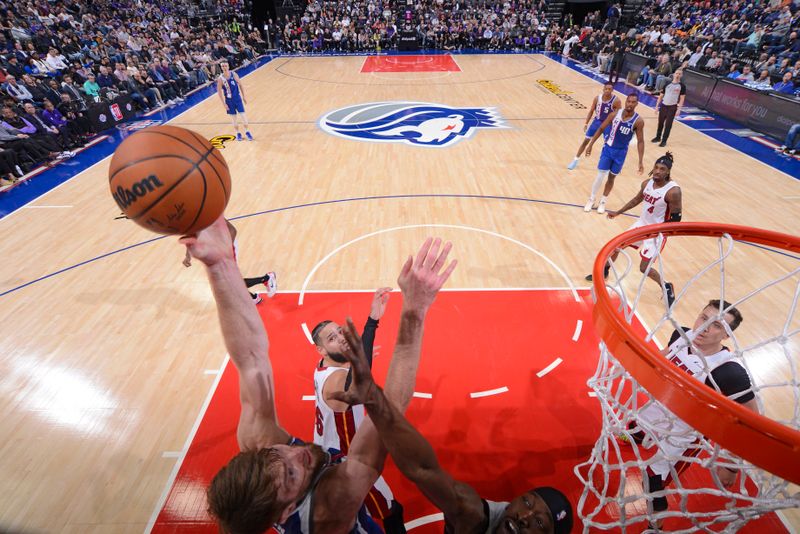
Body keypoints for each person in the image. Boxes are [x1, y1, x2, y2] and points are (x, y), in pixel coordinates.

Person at [187, 220, 457, 533]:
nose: (296, 453)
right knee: (388, 507)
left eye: (279, 453)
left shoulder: (262, 451)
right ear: (289, 510)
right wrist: (415, 308)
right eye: (291, 475)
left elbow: (250, 360)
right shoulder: (334, 502)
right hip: (341, 458)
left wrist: (220, 265)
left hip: (330, 445)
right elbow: (393, 406)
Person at [328, 311, 574, 534]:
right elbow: (420, 469)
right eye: (527, 502)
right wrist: (374, 398)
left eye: (540, 523)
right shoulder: (473, 516)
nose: (524, 517)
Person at [618, 300, 756, 530]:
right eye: (704, 318)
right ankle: (641, 432)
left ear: (726, 336)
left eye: (717, 326)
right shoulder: (681, 334)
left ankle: (656, 526)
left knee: (653, 482)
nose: (704, 327)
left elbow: (750, 422)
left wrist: (732, 465)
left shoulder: (729, 371)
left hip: (684, 434)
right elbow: (661, 357)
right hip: (658, 408)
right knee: (637, 425)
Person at [311, 288, 406, 533]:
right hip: (345, 462)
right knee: (391, 509)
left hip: (325, 452)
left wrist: (355, 357)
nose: (341, 337)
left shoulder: (324, 366)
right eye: (331, 338)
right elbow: (359, 385)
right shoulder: (335, 383)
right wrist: (372, 321)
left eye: (340, 331)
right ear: (321, 350)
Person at [586, 152, 680, 304]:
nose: (657, 171)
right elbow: (637, 199)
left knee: (644, 268)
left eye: (662, 169)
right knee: (616, 247)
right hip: (641, 224)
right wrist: (618, 212)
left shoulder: (673, 191)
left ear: (668, 171)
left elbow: (676, 219)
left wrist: (660, 231)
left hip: (657, 233)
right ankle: (605, 271)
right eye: (656, 167)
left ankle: (666, 286)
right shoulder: (647, 183)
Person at [183, 219, 276, 303]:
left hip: (229, 247)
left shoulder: (210, 214)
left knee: (229, 282)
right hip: (217, 248)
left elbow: (233, 231)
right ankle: (253, 297)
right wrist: (188, 255)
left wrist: (225, 250)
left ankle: (266, 279)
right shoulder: (193, 219)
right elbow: (192, 236)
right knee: (227, 281)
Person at [582, 93, 645, 214]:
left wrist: (640, 161)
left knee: (611, 177)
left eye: (633, 102)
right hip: (608, 149)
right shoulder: (614, 114)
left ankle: (603, 201)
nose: (630, 104)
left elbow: (640, 141)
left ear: (637, 104)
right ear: (626, 101)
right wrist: (590, 145)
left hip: (621, 153)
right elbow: (601, 129)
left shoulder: (638, 121)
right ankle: (591, 199)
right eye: (629, 101)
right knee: (600, 175)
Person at [567, 81, 621, 170]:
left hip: (608, 124)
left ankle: (604, 164)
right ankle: (575, 160)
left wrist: (615, 127)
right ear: (603, 89)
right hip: (597, 122)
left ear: (612, 90)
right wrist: (586, 123)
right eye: (606, 89)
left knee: (607, 146)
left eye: (609, 89)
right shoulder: (597, 98)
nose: (607, 91)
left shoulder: (616, 101)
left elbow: (618, 115)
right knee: (585, 141)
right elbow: (591, 111)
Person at [217, 60, 253, 141]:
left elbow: (240, 85)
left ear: (228, 66)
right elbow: (219, 93)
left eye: (225, 66)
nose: (224, 67)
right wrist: (224, 104)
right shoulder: (220, 79)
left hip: (237, 99)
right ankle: (238, 133)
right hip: (229, 101)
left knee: (244, 117)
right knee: (234, 119)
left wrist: (244, 96)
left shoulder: (234, 74)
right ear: (221, 67)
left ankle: (247, 132)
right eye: (222, 66)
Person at [652, 70, 686, 148]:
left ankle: (664, 141)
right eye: (677, 73)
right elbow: (661, 96)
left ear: (681, 76)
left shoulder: (682, 86)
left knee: (668, 125)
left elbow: (682, 98)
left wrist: (679, 109)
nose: (678, 75)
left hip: (672, 107)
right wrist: (657, 106)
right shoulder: (667, 84)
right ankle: (658, 137)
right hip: (664, 106)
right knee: (660, 123)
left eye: (679, 74)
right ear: (674, 74)